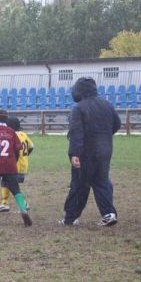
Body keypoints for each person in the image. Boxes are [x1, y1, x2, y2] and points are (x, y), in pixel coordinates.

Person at [60, 77, 121, 227]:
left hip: (85, 153)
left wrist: (74, 153)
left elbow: (76, 132)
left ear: (79, 91)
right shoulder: (107, 105)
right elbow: (117, 124)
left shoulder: (79, 108)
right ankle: (109, 214)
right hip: (105, 150)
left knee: (80, 184)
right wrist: (104, 137)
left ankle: (70, 218)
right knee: (102, 181)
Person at [0, 117, 34, 213]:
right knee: (6, 182)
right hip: (23, 165)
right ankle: (4, 203)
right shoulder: (23, 134)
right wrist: (25, 157)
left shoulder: (11, 136)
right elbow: (32, 147)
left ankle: (20, 204)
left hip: (14, 165)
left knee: (11, 185)